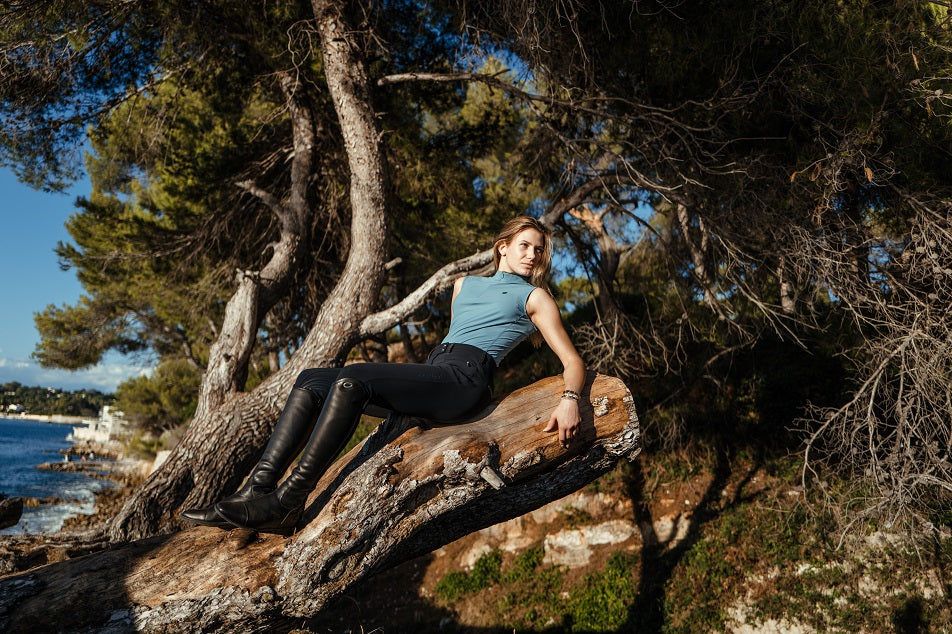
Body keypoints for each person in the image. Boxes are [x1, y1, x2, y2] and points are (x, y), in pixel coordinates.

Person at [182, 215, 585, 534]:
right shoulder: (464, 285)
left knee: (351, 380)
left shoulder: (535, 297)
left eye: (539, 250)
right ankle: (258, 489)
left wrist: (570, 401)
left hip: (466, 382)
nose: (532, 255)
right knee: (310, 379)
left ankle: (287, 502)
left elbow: (572, 361)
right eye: (525, 246)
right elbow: (452, 337)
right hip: (438, 371)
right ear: (503, 248)